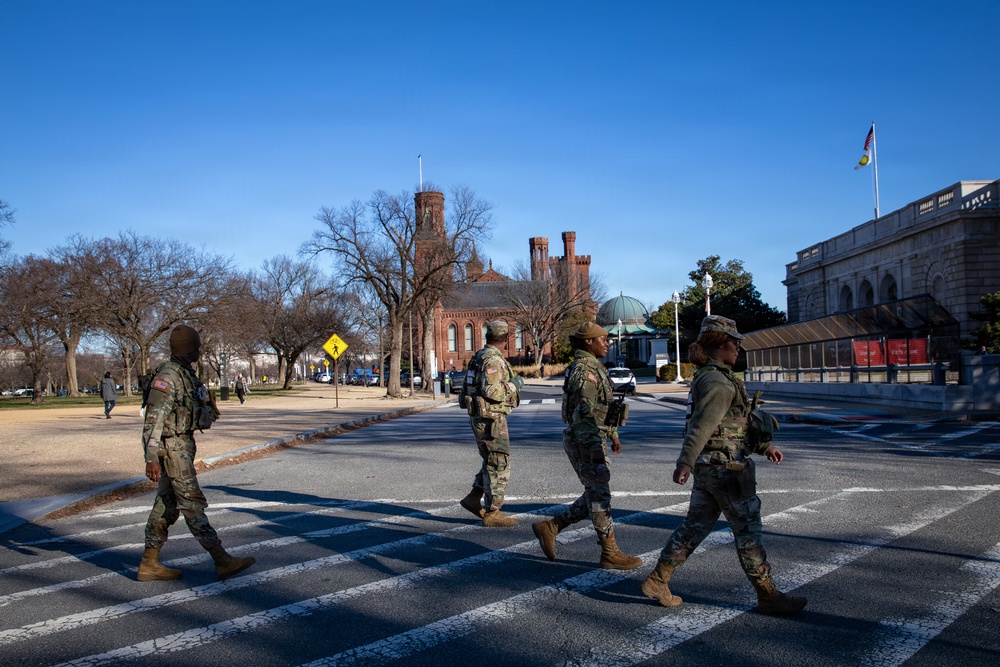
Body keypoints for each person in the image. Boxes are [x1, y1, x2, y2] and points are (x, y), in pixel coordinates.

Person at [641, 315, 807, 616]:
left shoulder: (711, 376)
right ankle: (768, 595)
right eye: (735, 343)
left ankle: (658, 579)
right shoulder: (719, 382)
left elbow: (732, 426)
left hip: (710, 467)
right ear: (719, 345)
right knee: (748, 531)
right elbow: (702, 426)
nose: (739, 349)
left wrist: (763, 446)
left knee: (695, 527)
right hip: (725, 469)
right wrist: (684, 462)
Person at [136, 324, 256, 582]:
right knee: (192, 504)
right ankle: (221, 559)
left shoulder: (185, 374)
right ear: (187, 348)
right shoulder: (167, 377)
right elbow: (152, 421)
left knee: (166, 506)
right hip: (172, 451)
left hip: (181, 447)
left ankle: (149, 563)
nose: (199, 351)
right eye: (196, 347)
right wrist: (152, 458)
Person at [532, 321, 642, 570]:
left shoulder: (593, 367)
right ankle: (609, 552)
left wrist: (612, 433)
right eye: (602, 339)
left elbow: (602, 408)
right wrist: (594, 448)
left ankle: (551, 526)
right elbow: (584, 415)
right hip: (585, 440)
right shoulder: (585, 372)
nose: (606, 343)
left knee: (596, 492)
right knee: (600, 494)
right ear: (589, 342)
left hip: (593, 437)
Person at [458, 320, 524, 527]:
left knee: (491, 459)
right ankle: (493, 511)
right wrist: (514, 385)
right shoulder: (492, 360)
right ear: (505, 339)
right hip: (490, 419)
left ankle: (473, 497)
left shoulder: (477, 357)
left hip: (481, 417)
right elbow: (492, 391)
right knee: (499, 461)